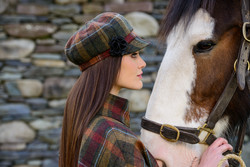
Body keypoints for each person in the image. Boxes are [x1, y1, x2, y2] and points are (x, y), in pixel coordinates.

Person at [59, 12, 233, 167]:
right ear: (109, 63)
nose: (142, 63)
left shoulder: (92, 124)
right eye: (133, 55)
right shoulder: (113, 136)